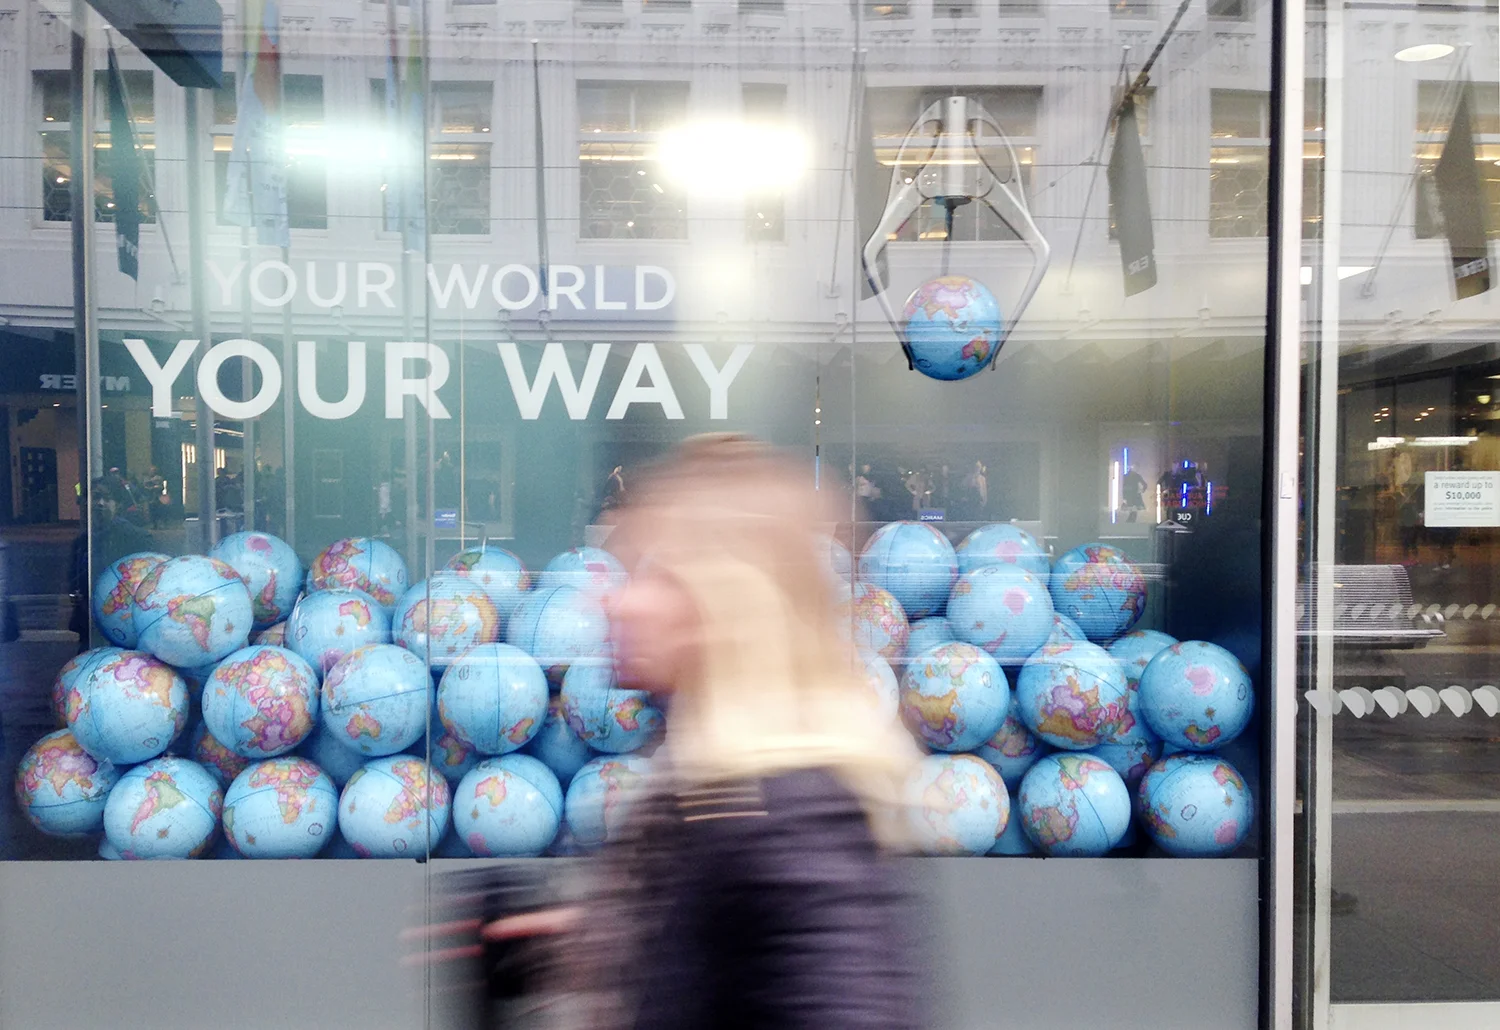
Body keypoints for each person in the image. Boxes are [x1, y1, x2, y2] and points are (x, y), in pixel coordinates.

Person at [488, 434, 921, 1030]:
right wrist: (588, 948)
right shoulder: (701, 792)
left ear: (726, 605)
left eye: (654, 575)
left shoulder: (796, 822)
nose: (615, 602)